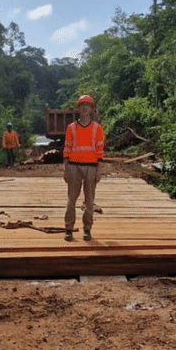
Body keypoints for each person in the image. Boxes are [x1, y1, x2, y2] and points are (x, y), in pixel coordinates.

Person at [63, 95, 104, 242]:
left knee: (89, 200)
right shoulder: (71, 128)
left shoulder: (97, 128)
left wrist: (99, 171)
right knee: (71, 199)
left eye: (88, 105)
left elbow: (100, 151)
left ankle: (87, 229)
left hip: (91, 167)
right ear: (78, 108)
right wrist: (65, 169)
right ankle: (68, 228)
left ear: (91, 109)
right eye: (82, 105)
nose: (85, 107)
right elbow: (67, 149)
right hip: (74, 166)